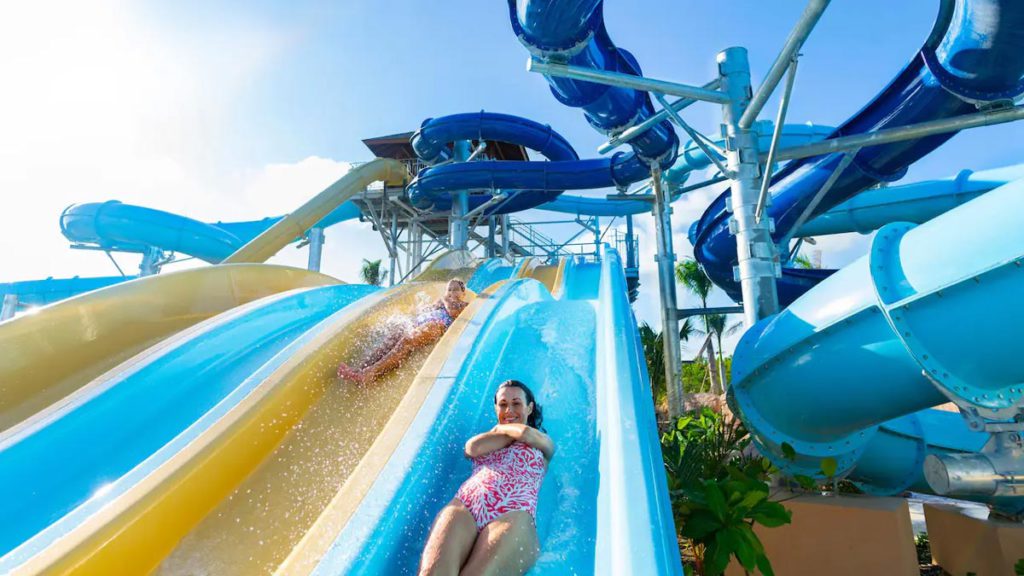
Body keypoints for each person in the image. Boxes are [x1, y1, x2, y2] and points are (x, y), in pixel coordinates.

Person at [418, 380, 555, 576]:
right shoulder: (487, 439)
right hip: (467, 504)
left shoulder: (543, 443)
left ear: (530, 408)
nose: (509, 410)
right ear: (495, 407)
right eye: (503, 404)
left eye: (516, 404)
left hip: (513, 512)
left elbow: (525, 432)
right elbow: (471, 448)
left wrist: (501, 429)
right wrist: (505, 431)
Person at [337, 278, 468, 383]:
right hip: (421, 322)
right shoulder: (442, 302)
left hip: (438, 325)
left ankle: (370, 373)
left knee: (408, 339)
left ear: (463, 293)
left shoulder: (464, 305)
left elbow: (452, 311)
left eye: (455, 290)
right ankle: (361, 368)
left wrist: (444, 298)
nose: (451, 293)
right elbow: (425, 309)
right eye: (449, 290)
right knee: (393, 337)